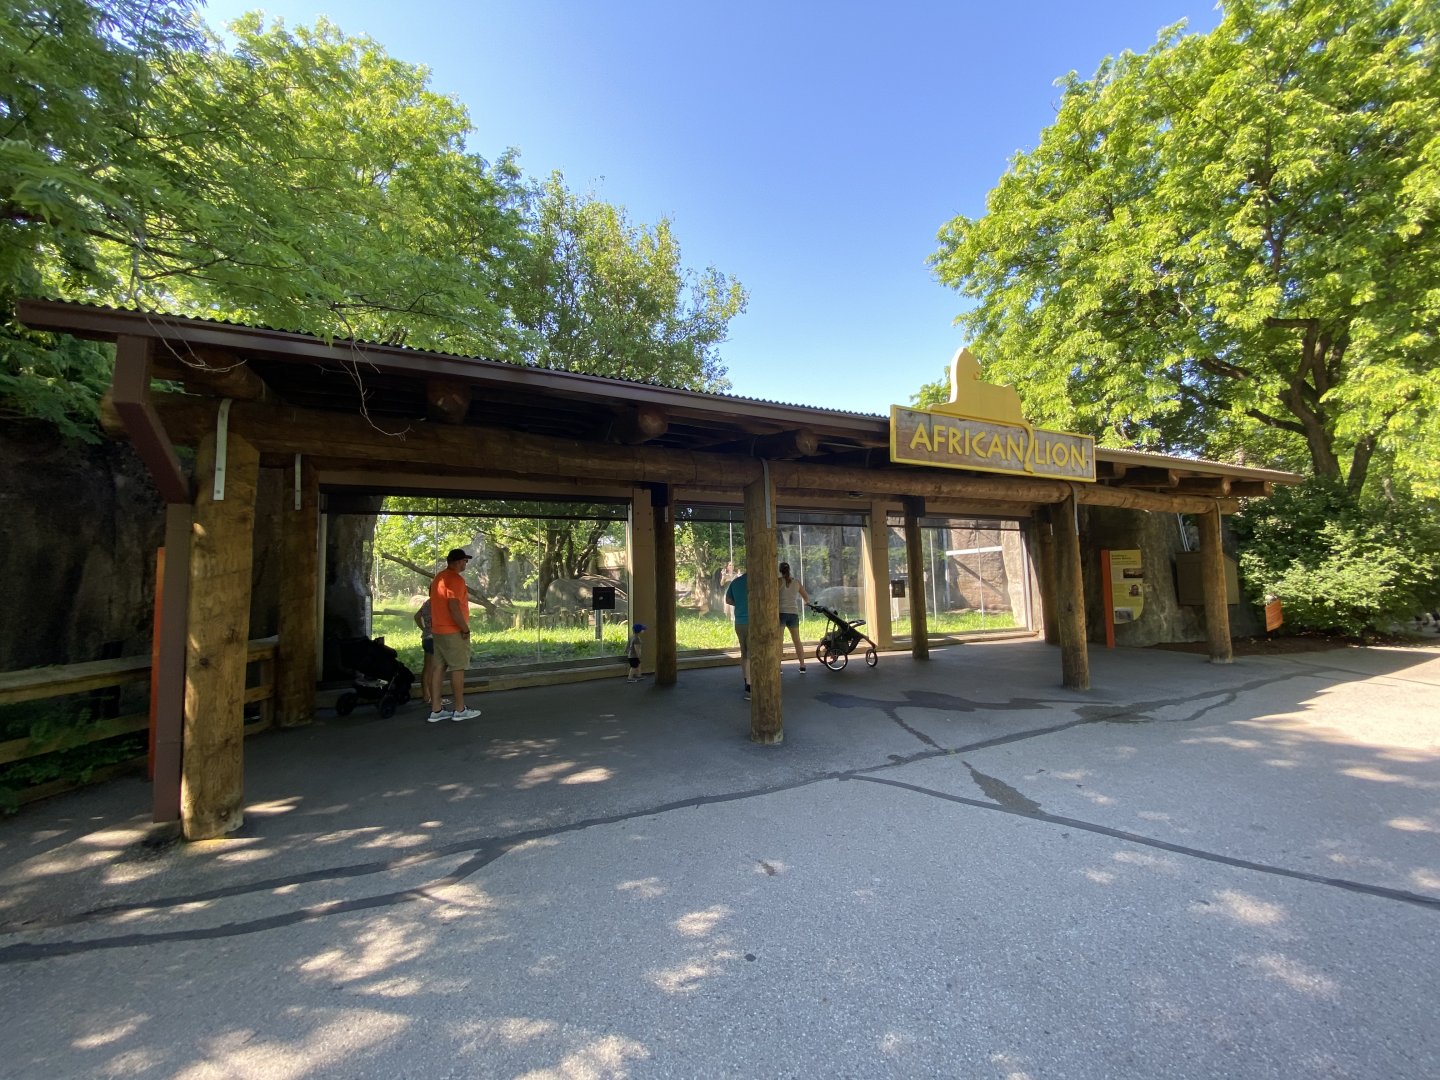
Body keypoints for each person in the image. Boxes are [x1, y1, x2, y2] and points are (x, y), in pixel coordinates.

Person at [427, 548, 481, 722]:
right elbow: (453, 606)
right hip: (453, 631)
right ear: (458, 562)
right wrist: (464, 628)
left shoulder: (438, 578)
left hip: (438, 630)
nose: (466, 564)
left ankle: (436, 709)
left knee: (438, 669)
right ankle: (460, 709)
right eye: (465, 561)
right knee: (458, 669)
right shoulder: (455, 579)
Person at [412, 598, 445, 713]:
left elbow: (417, 616)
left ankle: (426, 695)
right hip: (435, 638)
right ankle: (434, 699)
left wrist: (425, 629)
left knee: (427, 668)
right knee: (435, 670)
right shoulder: (438, 602)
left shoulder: (427, 603)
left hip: (426, 638)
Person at [777, 562, 811, 671]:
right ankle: (802, 665)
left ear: (780, 570)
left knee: (779, 641)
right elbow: (806, 597)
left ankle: (779, 667)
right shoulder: (796, 582)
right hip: (793, 613)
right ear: (789, 570)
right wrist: (806, 603)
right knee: (797, 640)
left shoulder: (778, 582)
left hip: (781, 613)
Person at [724, 570, 750, 700]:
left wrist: (739, 604)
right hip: (754, 623)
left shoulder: (736, 582)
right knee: (752, 654)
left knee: (744, 653)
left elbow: (728, 600)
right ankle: (750, 686)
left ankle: (746, 680)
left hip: (739, 622)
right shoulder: (757, 582)